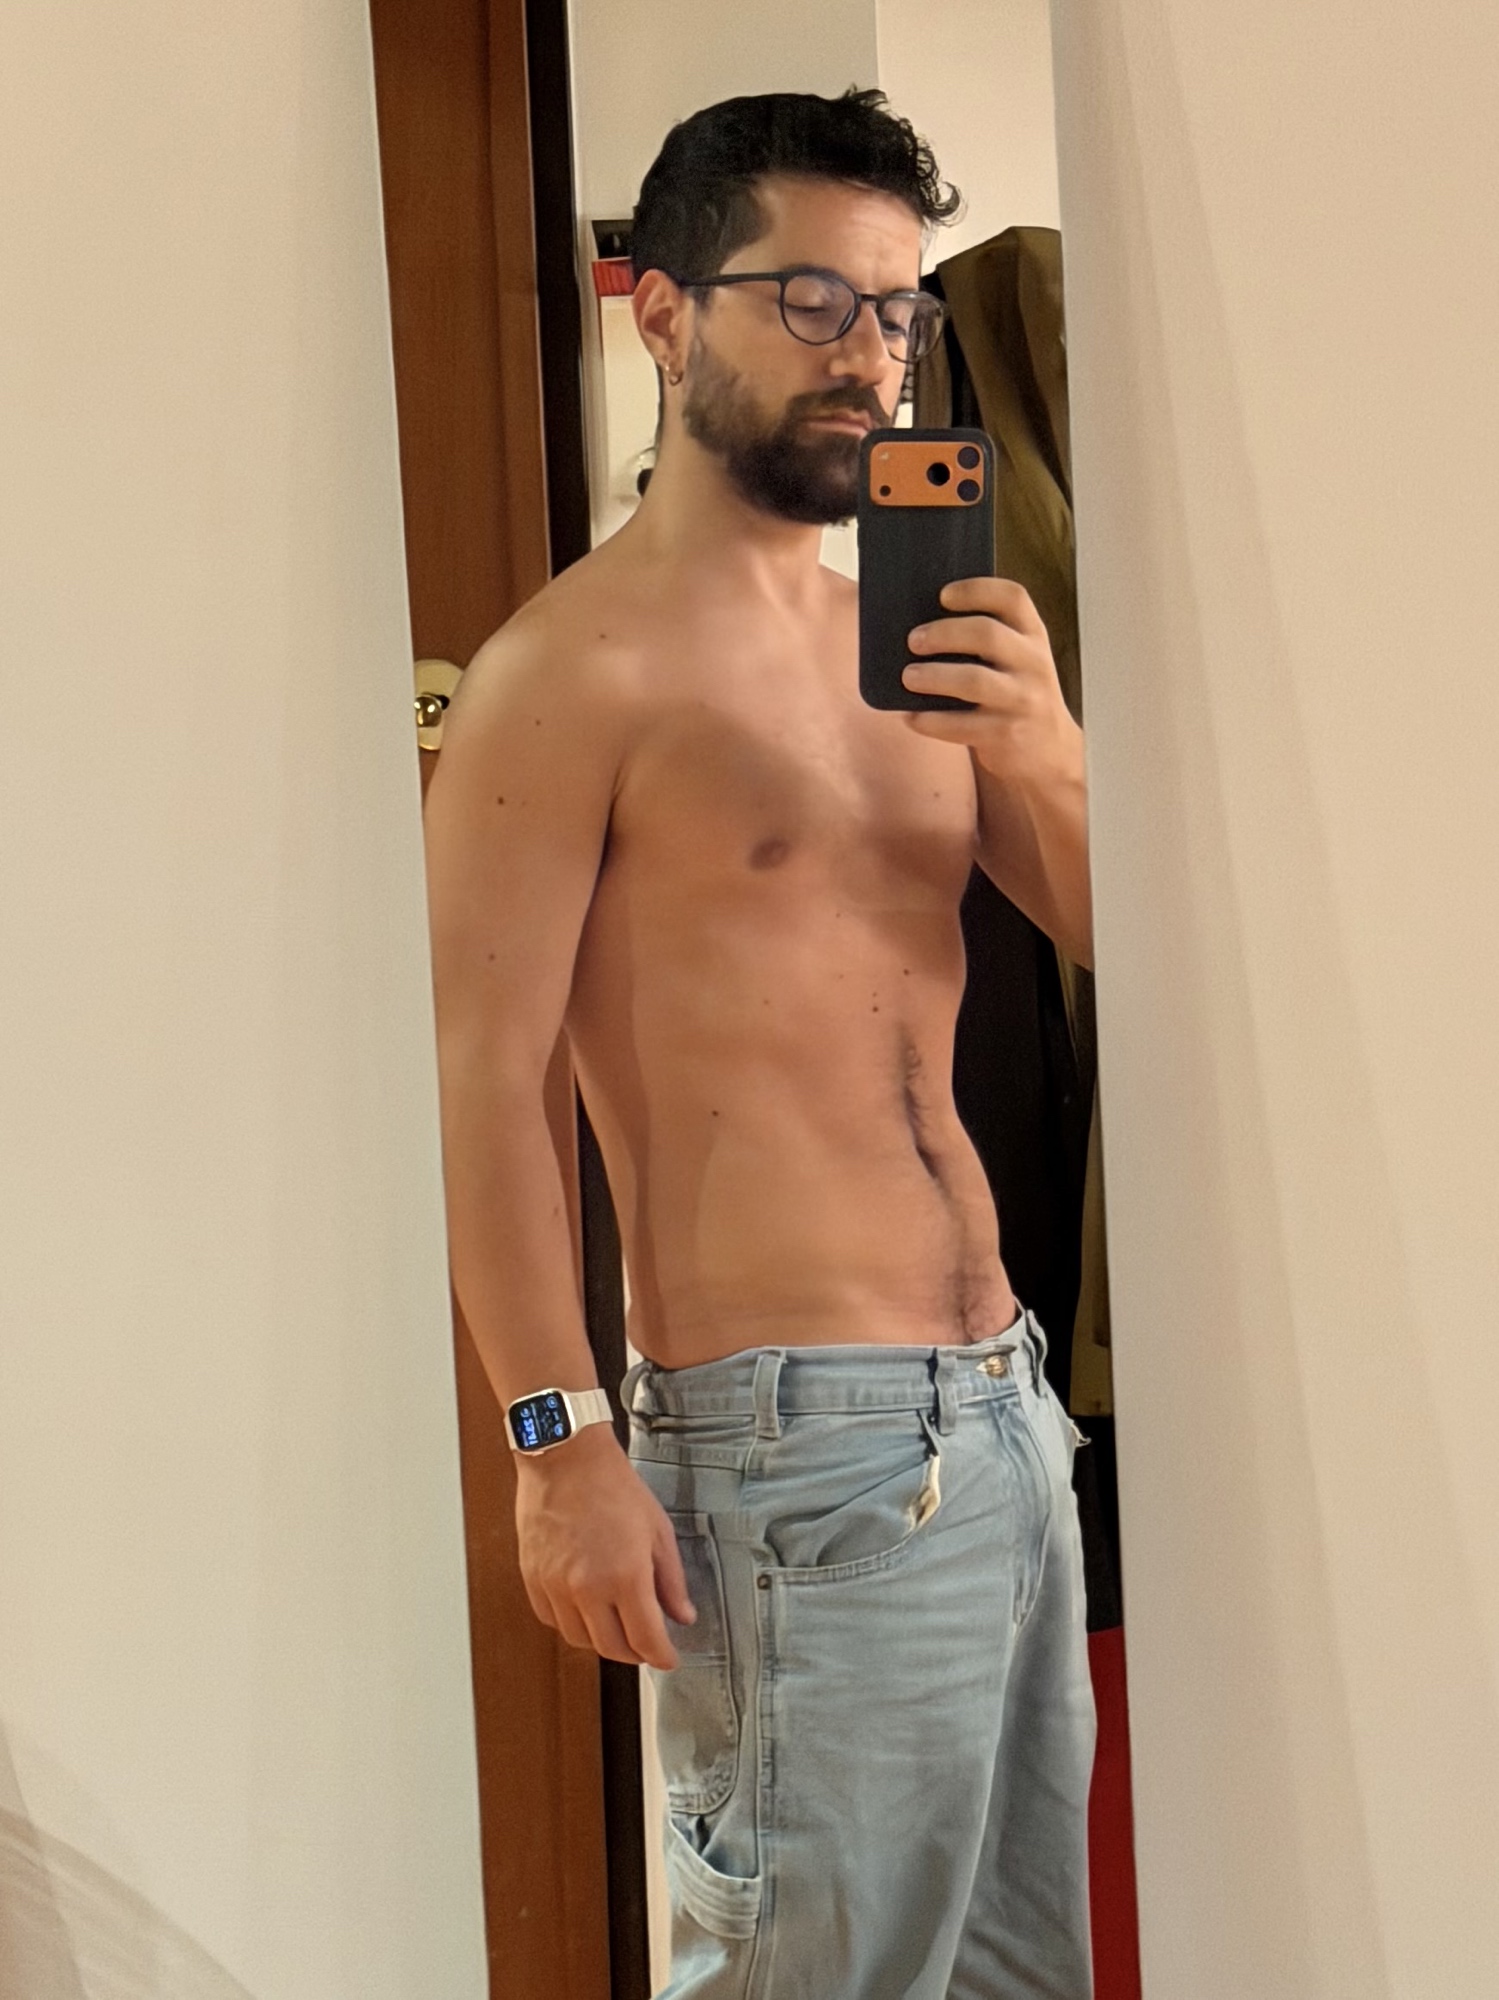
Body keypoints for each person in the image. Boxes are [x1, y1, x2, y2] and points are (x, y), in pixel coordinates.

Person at [424, 87, 1096, 2000]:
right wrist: (556, 1443)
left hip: (1002, 1403)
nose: (868, 354)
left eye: (894, 309)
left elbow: (1112, 942)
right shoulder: (568, 677)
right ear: (659, 311)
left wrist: (1044, 746)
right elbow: (483, 1083)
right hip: (795, 1444)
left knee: (1019, 1977)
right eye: (809, 300)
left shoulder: (924, 641)